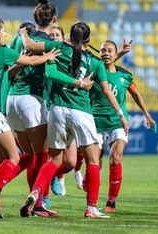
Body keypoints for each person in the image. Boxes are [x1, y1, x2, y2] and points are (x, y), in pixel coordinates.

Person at [19, 22, 129, 218]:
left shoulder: (59, 48)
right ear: (88, 40)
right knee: (93, 160)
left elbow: (33, 50)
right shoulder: (94, 62)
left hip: (57, 109)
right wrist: (121, 114)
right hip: (82, 111)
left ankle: (36, 193)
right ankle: (91, 208)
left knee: (54, 159)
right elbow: (105, 89)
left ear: (69, 36)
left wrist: (23, 34)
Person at [0, 15, 61, 219]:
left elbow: (4, 74)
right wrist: (47, 57)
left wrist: (19, 65)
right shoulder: (1, 52)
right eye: (3, 31)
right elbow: (31, 59)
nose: (5, 34)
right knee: (14, 156)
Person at [6, 0, 60, 215]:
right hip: (31, 99)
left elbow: (9, 65)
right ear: (54, 19)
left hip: (11, 99)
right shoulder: (47, 42)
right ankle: (38, 203)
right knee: (41, 156)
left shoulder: (19, 38)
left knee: (28, 156)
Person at [91, 39, 155, 213]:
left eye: (110, 50)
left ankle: (111, 200)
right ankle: (92, 202)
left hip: (118, 123)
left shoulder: (125, 76)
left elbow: (136, 95)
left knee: (115, 156)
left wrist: (147, 114)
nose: (105, 53)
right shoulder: (94, 72)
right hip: (96, 123)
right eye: (103, 50)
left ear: (115, 53)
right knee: (94, 163)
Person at [48, 24, 84, 196]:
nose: (54, 37)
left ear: (64, 39)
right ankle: (41, 197)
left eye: (57, 35)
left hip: (66, 109)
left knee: (69, 162)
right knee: (46, 156)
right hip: (47, 108)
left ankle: (53, 175)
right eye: (51, 35)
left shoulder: (70, 56)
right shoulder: (46, 56)